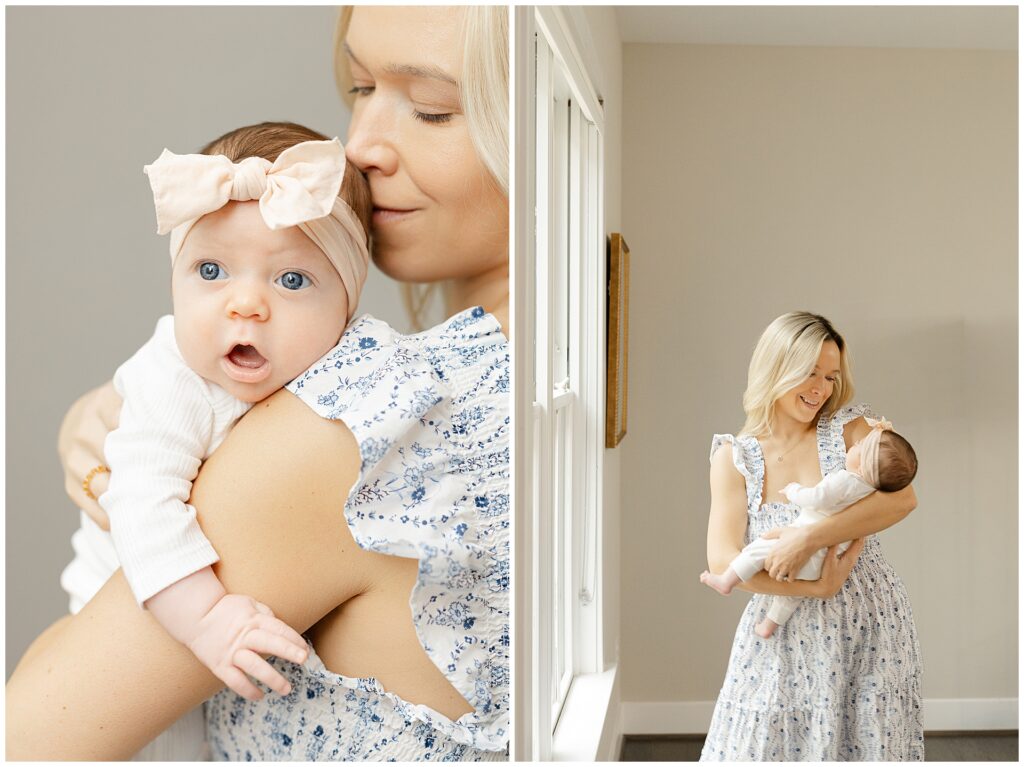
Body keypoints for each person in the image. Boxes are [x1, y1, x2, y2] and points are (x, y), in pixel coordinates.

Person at [6, 6, 509, 762]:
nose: (361, 144)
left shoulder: (361, 419)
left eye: (432, 108)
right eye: (361, 85)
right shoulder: (502, 386)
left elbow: (31, 737)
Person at [699, 311, 924, 762]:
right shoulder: (734, 457)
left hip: (869, 621)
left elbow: (901, 500)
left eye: (830, 375)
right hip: (784, 628)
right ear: (775, 368)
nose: (821, 388)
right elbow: (724, 562)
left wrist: (808, 539)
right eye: (809, 372)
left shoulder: (855, 431)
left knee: (869, 739)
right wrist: (815, 587)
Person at [700, 418, 918, 638]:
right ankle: (769, 624)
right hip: (824, 564)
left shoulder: (848, 470)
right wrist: (819, 588)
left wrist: (797, 504)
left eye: (830, 380)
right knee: (791, 596)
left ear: (862, 466)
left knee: (759, 550)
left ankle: (728, 583)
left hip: (857, 610)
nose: (820, 389)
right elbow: (719, 560)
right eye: (809, 380)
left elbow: (819, 497)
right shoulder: (868, 487)